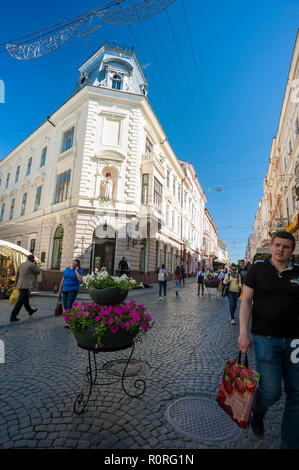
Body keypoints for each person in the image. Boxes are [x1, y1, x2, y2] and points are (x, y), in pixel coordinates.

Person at [238, 231, 299, 449]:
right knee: (271, 390)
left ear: (291, 250)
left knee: (296, 395)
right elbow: (245, 302)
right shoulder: (258, 269)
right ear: (271, 246)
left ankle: (289, 444)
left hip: (295, 341)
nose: (280, 249)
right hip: (265, 338)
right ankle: (258, 411)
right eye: (277, 245)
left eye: (286, 246)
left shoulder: (297, 272)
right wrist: (243, 333)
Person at [10, 254, 40, 322]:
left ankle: (30, 311)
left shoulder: (22, 264)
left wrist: (16, 284)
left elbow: (17, 274)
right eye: (33, 259)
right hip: (26, 286)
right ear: (32, 259)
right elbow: (38, 271)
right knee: (20, 302)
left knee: (25, 300)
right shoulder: (32, 265)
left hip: (20, 285)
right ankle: (13, 316)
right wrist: (36, 265)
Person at [59, 259, 83, 327]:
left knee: (69, 304)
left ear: (77, 266)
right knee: (65, 305)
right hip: (65, 289)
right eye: (73, 263)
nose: (73, 265)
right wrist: (60, 288)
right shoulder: (67, 269)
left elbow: (80, 280)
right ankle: (73, 316)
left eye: (75, 264)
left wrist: (76, 271)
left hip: (73, 290)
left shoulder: (79, 271)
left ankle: (68, 322)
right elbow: (63, 279)